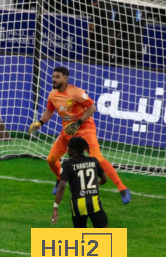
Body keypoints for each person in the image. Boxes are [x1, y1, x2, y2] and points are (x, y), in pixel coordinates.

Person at [28, 66, 131, 204]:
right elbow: (49, 111)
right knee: (51, 159)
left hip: (85, 129)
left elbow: (92, 107)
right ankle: (60, 179)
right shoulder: (52, 94)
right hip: (68, 131)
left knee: (97, 158)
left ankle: (122, 188)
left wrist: (78, 122)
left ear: (65, 79)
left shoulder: (76, 93)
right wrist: (40, 123)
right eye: (53, 76)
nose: (54, 79)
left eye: (57, 77)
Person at [52, 137, 109, 228]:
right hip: (94, 202)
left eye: (68, 147)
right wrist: (97, 182)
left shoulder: (68, 164)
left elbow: (62, 186)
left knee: (80, 236)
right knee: (104, 230)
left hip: (78, 205)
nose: (67, 150)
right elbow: (104, 179)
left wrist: (55, 207)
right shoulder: (93, 161)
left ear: (74, 150)